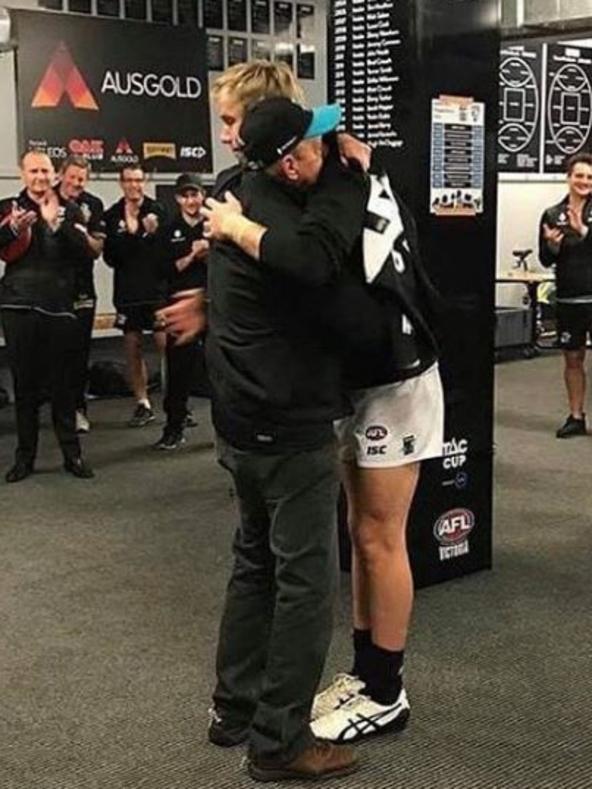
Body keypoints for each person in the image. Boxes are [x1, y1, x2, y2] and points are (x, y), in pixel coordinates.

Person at [203, 97, 444, 744]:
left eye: (327, 138)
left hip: (396, 376)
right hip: (357, 381)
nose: (332, 142)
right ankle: (369, 671)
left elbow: (315, 273)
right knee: (359, 533)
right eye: (316, 138)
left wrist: (237, 230)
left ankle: (386, 690)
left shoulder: (342, 188)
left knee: (378, 538)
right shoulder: (324, 187)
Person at [204, 99, 369, 781]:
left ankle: (233, 709)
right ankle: (278, 741)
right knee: (306, 582)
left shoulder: (234, 192)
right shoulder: (268, 216)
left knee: (255, 562)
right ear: (282, 160)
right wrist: (353, 179)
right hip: (284, 422)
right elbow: (315, 258)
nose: (328, 154)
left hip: (241, 418)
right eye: (314, 147)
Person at [158, 59, 370, 342]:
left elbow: (310, 268)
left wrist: (234, 226)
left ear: (263, 118)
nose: (223, 135)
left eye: (230, 122)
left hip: (300, 373)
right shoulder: (237, 182)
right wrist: (212, 303)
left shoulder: (333, 185)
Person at [0, 150, 94, 482]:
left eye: (45, 170)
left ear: (54, 174)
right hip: (17, 305)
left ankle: (72, 455)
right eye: (33, 171)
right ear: (22, 174)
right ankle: (24, 459)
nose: (40, 176)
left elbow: (86, 255)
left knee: (63, 387)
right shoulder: (7, 207)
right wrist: (12, 230)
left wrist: (59, 224)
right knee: (25, 387)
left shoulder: (71, 210)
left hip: (58, 306)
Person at [103, 165, 167, 427]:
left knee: (168, 346)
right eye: (129, 180)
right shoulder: (112, 215)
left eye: (139, 180)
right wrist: (135, 235)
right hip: (128, 292)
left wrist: (153, 234)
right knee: (133, 347)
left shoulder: (158, 210)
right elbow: (110, 257)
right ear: (121, 183)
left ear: (145, 181)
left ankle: (176, 401)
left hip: (157, 290)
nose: (134, 185)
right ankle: (142, 403)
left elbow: (167, 250)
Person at [154, 174, 208, 450]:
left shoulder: (214, 226)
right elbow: (163, 270)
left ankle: (228, 430)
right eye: (185, 196)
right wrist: (191, 255)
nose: (191, 200)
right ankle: (174, 427)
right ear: (177, 199)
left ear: (202, 196)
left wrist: (209, 252)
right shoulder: (168, 229)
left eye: (195, 194)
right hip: (179, 308)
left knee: (222, 371)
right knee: (178, 373)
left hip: (213, 306)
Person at [540, 152, 592, 438]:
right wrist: (553, 246)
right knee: (573, 359)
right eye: (579, 176)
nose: (584, 182)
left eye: (589, 177)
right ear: (569, 178)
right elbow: (546, 259)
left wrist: (583, 230)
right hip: (569, 299)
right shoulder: (551, 214)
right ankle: (576, 416)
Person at [57, 155, 106, 434]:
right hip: (50, 288)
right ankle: (54, 408)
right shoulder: (46, 199)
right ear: (62, 174)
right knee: (50, 351)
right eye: (73, 176)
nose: (76, 183)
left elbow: (97, 250)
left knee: (78, 351)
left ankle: (77, 409)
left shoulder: (92, 204)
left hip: (82, 287)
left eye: (82, 179)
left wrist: (81, 231)